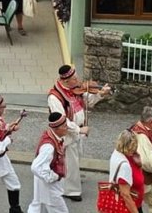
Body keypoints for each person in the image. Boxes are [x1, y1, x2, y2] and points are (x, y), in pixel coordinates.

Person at [47, 64, 111, 201]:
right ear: (65, 81)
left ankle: (68, 181)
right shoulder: (55, 97)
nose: (78, 81)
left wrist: (100, 94)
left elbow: (88, 102)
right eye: (74, 79)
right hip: (68, 133)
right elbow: (61, 119)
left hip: (78, 132)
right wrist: (78, 129)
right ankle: (71, 191)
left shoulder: (74, 89)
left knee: (75, 158)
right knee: (70, 161)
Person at [28, 112, 69, 213]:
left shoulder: (52, 136)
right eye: (64, 126)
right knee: (60, 210)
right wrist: (53, 177)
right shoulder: (49, 146)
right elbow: (35, 167)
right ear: (56, 129)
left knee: (37, 206)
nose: (67, 127)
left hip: (41, 180)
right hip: (48, 184)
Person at [108, 130, 144, 213]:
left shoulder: (116, 153)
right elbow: (125, 195)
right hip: (129, 207)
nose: (135, 149)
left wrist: (139, 164)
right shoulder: (125, 166)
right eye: (133, 146)